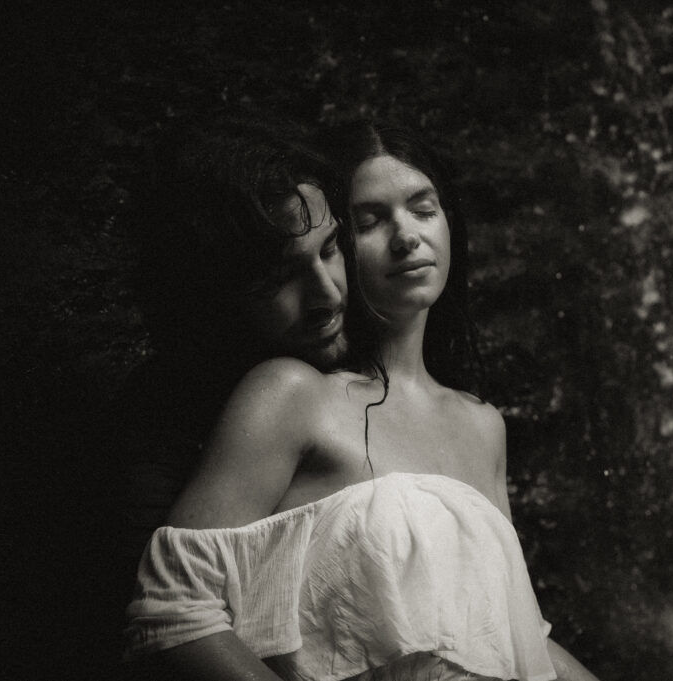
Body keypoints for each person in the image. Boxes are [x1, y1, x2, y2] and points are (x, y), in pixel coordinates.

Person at [124, 121, 599, 681]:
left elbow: (515, 636)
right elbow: (174, 610)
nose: (406, 238)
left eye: (424, 208)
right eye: (369, 221)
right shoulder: (293, 395)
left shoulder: (482, 425)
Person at [114, 112, 349, 571]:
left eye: (330, 249)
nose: (328, 294)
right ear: (214, 292)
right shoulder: (160, 420)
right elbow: (157, 614)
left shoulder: (374, 362)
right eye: (282, 276)